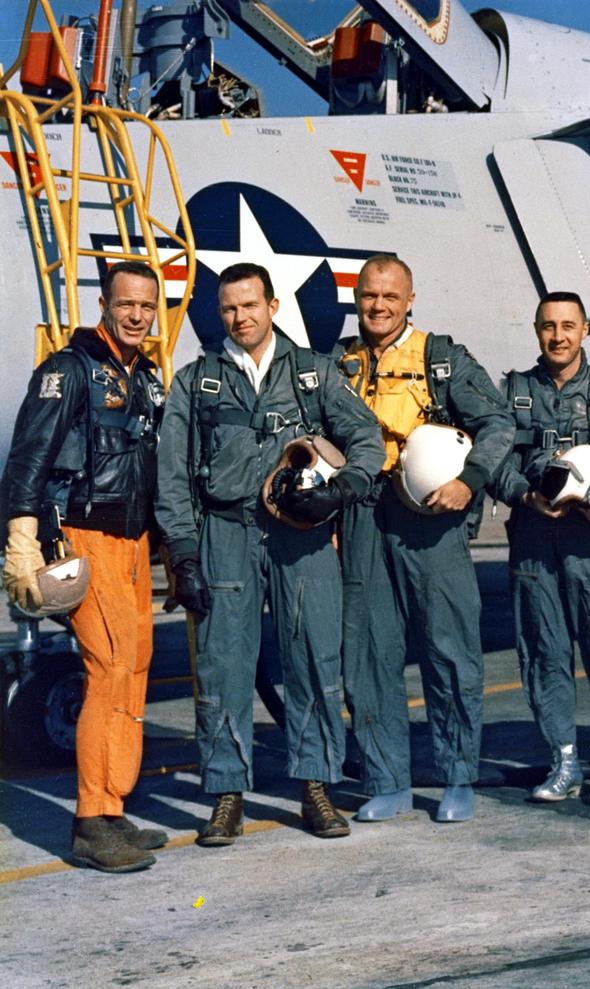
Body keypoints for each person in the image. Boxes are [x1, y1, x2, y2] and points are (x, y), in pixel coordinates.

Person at [155, 261, 383, 846]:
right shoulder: (196, 380)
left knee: (312, 659)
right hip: (226, 532)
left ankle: (316, 788)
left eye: (250, 306)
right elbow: (173, 476)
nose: (240, 318)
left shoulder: (312, 372)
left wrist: (344, 489)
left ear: (273, 306)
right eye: (229, 308)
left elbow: (367, 438)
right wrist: (183, 551)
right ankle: (227, 794)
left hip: (300, 534)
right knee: (224, 666)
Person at [336, 255, 513, 824]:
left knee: (449, 648)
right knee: (368, 652)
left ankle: (457, 774)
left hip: (430, 516)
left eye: (390, 296)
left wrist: (469, 481)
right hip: (363, 514)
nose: (378, 306)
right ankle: (387, 781)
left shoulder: (443, 359)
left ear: (410, 299)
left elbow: (498, 423)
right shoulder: (338, 362)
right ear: (356, 298)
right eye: (368, 296)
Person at [3, 261, 167, 872]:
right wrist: (21, 539)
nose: (135, 316)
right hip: (84, 538)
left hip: (133, 543)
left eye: (146, 307)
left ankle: (112, 804)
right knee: (110, 666)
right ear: (104, 304)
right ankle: (90, 822)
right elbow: (27, 459)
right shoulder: (67, 372)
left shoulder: (148, 381)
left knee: (136, 667)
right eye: (125, 304)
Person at [489, 291, 590, 805]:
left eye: (567, 326)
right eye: (547, 326)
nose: (557, 336)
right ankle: (562, 758)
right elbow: (492, 463)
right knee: (543, 653)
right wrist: (526, 496)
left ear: (584, 330)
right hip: (536, 543)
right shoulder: (511, 393)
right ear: (536, 330)